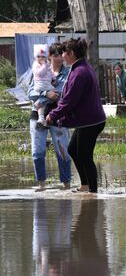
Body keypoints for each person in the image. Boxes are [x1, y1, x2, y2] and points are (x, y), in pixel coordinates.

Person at [46, 38, 106, 193]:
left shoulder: (79, 72)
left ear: (71, 53)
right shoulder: (80, 67)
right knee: (73, 150)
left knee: (85, 156)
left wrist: (53, 115)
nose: (62, 56)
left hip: (90, 122)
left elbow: (69, 101)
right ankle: (85, 186)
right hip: (88, 120)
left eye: (64, 53)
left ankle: (93, 192)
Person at [28, 42, 72, 192]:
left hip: (58, 115)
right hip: (37, 116)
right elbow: (30, 92)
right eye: (55, 55)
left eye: (61, 55)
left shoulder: (67, 73)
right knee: (37, 152)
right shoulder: (37, 69)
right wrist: (46, 94)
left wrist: (39, 99)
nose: (59, 58)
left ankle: (66, 184)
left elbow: (59, 94)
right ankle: (41, 184)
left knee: (63, 151)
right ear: (50, 56)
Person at [31, 44, 55, 127]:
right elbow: (39, 73)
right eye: (38, 56)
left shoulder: (47, 64)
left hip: (46, 83)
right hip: (41, 84)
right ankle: (40, 110)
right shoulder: (36, 65)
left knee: (43, 102)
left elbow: (50, 72)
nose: (41, 58)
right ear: (35, 57)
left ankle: (41, 117)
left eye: (43, 56)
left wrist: (54, 77)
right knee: (56, 93)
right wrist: (44, 65)